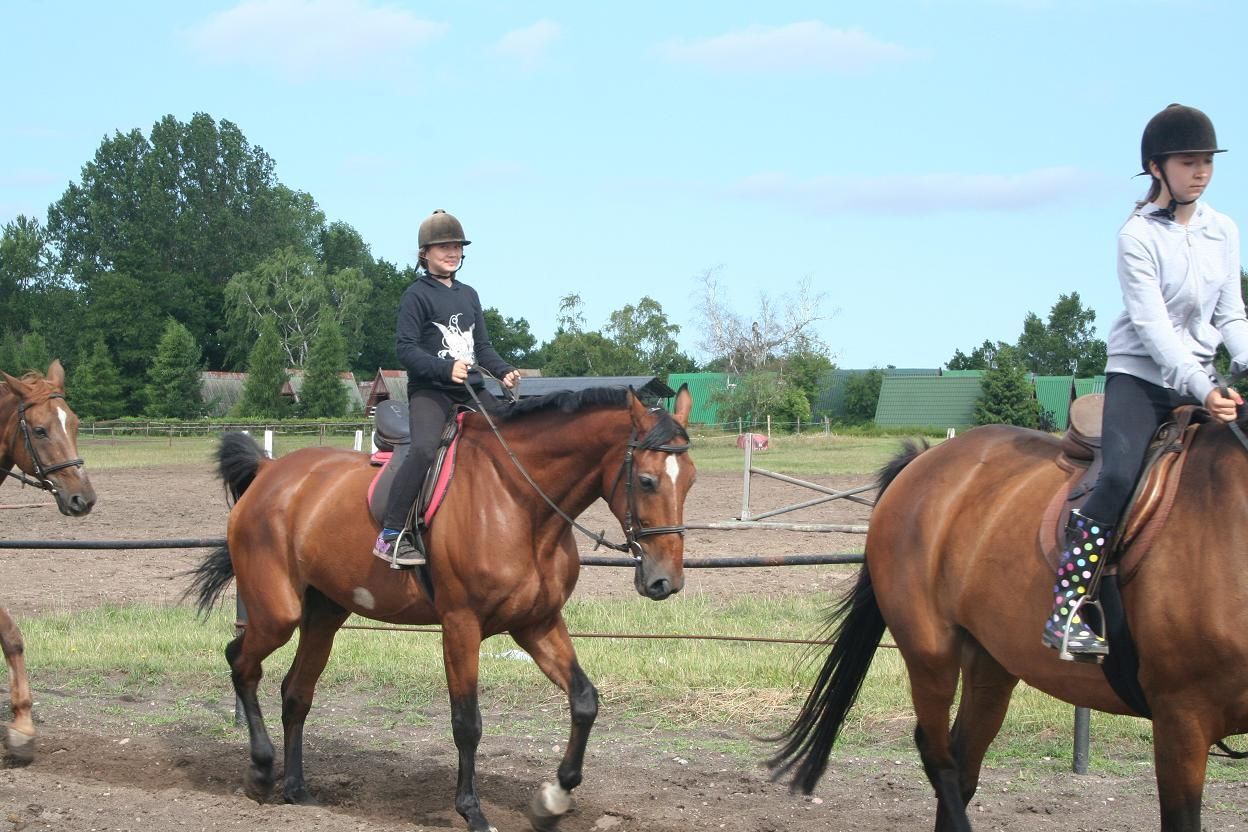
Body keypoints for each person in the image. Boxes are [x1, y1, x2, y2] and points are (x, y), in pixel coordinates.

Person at [1042, 104, 1247, 660]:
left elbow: (1231, 314)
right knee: (1116, 478)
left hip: (1201, 376)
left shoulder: (1223, 230)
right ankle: (1068, 609)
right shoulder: (1135, 236)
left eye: (1207, 161)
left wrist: (1244, 360)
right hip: (1141, 378)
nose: (1201, 172)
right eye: (1188, 162)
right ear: (1157, 167)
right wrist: (1203, 388)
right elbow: (1154, 330)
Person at [373, 209, 520, 567]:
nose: (452, 253)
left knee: (512, 439)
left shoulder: (469, 295)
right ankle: (391, 534)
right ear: (425, 253)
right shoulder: (416, 295)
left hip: (470, 389)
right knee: (423, 450)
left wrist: (503, 371)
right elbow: (406, 349)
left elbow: (482, 347)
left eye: (457, 247)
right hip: (431, 391)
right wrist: (443, 368)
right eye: (444, 247)